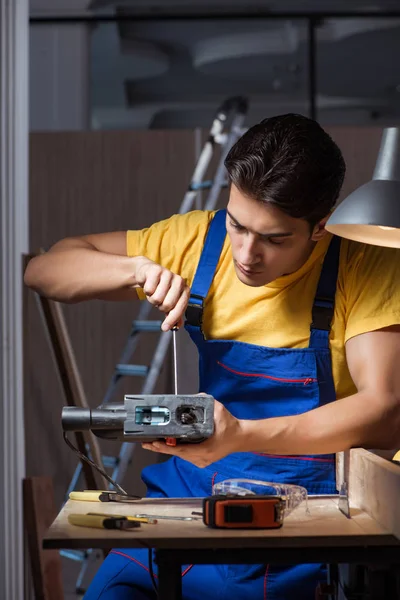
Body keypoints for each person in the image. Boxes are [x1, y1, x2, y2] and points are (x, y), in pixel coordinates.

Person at [24, 114, 400, 600]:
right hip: (188, 499)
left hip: (304, 517)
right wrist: (134, 268)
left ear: (321, 225)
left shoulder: (363, 261)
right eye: (238, 224)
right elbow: (44, 271)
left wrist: (240, 437)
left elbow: (385, 409)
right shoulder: (198, 242)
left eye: (274, 238)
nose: (245, 253)